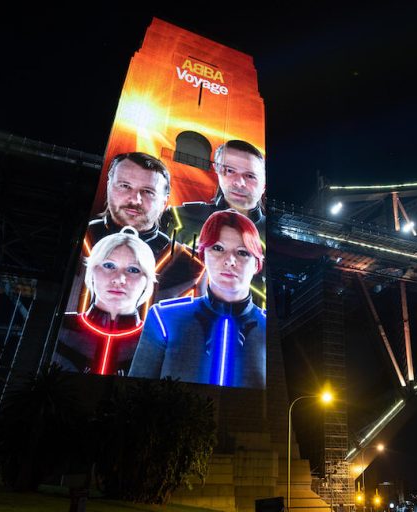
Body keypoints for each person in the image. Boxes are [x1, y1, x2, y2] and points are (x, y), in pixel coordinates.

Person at [129, 210, 265, 387]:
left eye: (242, 252)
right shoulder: (164, 318)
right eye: (218, 248)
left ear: (256, 264)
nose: (230, 260)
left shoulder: (267, 328)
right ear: (203, 255)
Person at [68, 152, 203, 312]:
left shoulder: (190, 265)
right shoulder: (74, 238)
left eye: (148, 191)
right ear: (109, 187)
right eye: (125, 186)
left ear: (164, 202)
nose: (134, 199)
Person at [53, 228, 156, 375]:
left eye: (133, 270)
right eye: (109, 266)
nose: (119, 279)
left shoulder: (156, 341)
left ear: (147, 280)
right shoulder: (58, 325)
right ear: (92, 271)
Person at [166, 140, 266, 246]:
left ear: (264, 184)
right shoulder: (180, 218)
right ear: (216, 170)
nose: (239, 183)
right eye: (230, 171)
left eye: (250, 176)